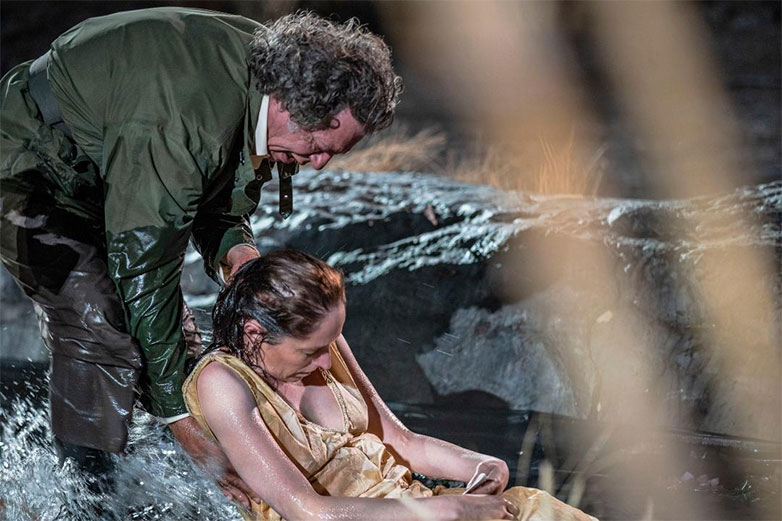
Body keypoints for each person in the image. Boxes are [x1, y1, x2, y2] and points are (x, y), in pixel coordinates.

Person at [0, 7, 402, 501]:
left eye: (333, 154)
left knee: (188, 356)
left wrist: (238, 256)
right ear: (290, 105)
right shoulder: (184, 116)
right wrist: (180, 419)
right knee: (96, 320)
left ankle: (188, 483)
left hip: (109, 165)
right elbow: (144, 269)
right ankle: (86, 499)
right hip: (27, 165)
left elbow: (215, 193)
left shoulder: (280, 75)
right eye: (319, 146)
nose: (318, 164)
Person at [184, 250, 598, 521]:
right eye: (311, 351)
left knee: (536, 510)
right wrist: (449, 510)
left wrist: (483, 466)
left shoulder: (324, 341)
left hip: (416, 505)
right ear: (255, 333)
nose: (326, 362)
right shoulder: (222, 382)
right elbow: (305, 510)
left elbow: (402, 441)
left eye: (331, 343)